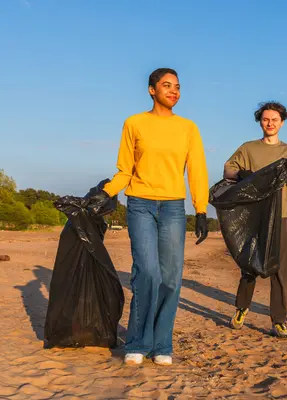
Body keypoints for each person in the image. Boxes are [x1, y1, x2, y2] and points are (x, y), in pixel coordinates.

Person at [87, 68, 209, 365]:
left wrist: (202, 209)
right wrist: (106, 192)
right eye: (166, 86)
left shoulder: (188, 128)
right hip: (140, 204)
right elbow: (124, 170)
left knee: (170, 278)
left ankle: (162, 345)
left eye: (177, 87)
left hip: (173, 209)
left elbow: (197, 169)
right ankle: (138, 343)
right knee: (148, 272)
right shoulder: (134, 123)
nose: (174, 91)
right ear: (152, 90)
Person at [223, 101, 287, 338]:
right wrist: (244, 174)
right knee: (250, 263)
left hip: (281, 215)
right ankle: (241, 308)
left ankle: (279, 320)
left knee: (280, 269)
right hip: (253, 215)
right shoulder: (248, 148)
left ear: (282, 122)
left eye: (275, 120)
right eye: (265, 119)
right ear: (260, 121)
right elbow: (228, 170)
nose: (270, 123)